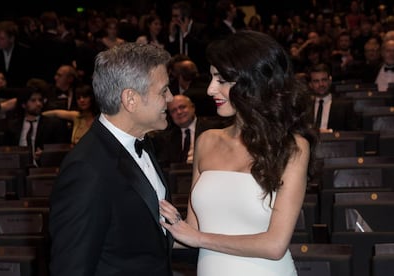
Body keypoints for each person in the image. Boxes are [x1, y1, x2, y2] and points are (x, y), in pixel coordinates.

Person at [159, 30, 317, 276]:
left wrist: (199, 238)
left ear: (252, 82)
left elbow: (275, 245)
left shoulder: (291, 147)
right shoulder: (206, 141)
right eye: (212, 78)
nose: (211, 90)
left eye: (221, 80)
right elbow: (190, 231)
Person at [49, 43, 175, 275]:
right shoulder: (86, 169)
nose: (171, 97)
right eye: (163, 90)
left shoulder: (143, 141)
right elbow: (71, 267)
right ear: (130, 99)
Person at [151, 94, 229, 168]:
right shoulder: (168, 138)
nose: (179, 112)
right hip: (180, 178)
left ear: (193, 107)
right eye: (174, 110)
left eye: (182, 107)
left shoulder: (213, 128)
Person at [308, 63, 359, 132]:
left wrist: (330, 133)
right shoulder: (305, 106)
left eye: (324, 80)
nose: (321, 84)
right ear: (310, 84)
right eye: (316, 81)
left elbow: (353, 134)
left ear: (330, 81)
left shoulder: (345, 105)